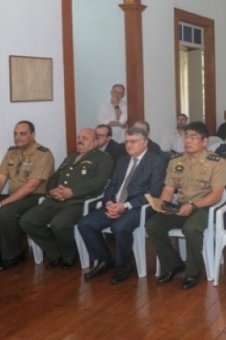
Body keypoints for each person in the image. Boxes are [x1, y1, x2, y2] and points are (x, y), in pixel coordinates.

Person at [77, 127, 166, 284]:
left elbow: (153, 193)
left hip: (139, 208)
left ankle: (124, 264)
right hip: (115, 205)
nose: (129, 145)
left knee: (119, 227)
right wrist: (110, 203)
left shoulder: (156, 162)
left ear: (144, 143)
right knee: (85, 223)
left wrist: (125, 206)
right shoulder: (122, 160)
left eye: (133, 142)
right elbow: (112, 186)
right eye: (126, 142)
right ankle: (104, 259)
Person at [146, 121, 226, 290]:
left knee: (190, 229)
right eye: (186, 137)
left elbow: (217, 194)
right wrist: (163, 205)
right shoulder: (176, 161)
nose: (188, 141)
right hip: (181, 206)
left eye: (193, 137)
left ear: (204, 142)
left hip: (204, 207)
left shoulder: (216, 162)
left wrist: (194, 206)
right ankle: (173, 265)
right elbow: (169, 188)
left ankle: (193, 271)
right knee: (153, 225)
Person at [20, 128, 113, 269]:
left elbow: (98, 182)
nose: (80, 140)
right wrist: (52, 191)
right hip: (56, 199)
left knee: (60, 224)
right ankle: (55, 252)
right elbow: (55, 177)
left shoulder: (104, 158)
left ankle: (69, 256)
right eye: (79, 137)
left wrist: (73, 192)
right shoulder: (70, 157)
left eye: (85, 138)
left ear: (96, 142)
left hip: (79, 202)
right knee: (27, 221)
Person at [0, 121, 55, 271]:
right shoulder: (11, 152)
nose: (18, 137)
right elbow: (2, 178)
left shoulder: (43, 154)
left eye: (23, 133)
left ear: (33, 135)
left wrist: (3, 203)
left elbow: (32, 186)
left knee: (5, 212)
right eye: (15, 134)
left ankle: (12, 255)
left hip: (35, 197)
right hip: (15, 195)